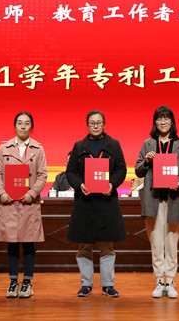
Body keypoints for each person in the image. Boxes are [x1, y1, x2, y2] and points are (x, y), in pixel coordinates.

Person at [135, 106, 179, 299]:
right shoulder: (148, 144)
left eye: (166, 118)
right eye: (159, 118)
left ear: (172, 122)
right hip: (153, 201)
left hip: (173, 200)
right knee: (156, 242)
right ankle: (160, 281)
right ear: (155, 122)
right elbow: (138, 170)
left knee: (171, 243)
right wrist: (146, 161)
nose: (163, 122)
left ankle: (171, 280)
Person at [66, 110, 127, 298]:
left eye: (99, 122)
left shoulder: (114, 145)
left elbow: (121, 169)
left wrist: (112, 184)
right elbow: (71, 172)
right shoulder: (79, 146)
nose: (95, 125)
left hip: (107, 202)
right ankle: (86, 284)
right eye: (92, 122)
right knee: (84, 246)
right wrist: (79, 185)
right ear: (87, 125)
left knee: (107, 246)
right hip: (85, 202)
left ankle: (108, 284)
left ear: (104, 124)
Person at [0, 112, 48, 298]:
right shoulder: (4, 147)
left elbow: (42, 174)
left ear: (32, 127)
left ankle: (27, 282)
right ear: (14, 126)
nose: (23, 126)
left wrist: (32, 194)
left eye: (27, 123)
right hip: (9, 202)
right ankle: (13, 281)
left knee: (29, 242)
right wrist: (1, 192)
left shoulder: (38, 148)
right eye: (19, 123)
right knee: (12, 243)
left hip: (28, 203)